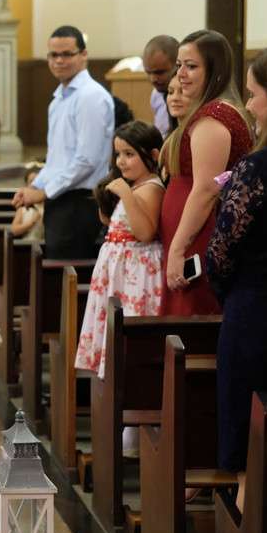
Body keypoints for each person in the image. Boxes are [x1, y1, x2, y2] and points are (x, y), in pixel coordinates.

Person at [207, 42, 267, 515]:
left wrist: (235, 297)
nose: (250, 107)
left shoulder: (258, 168)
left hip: (259, 323)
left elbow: (220, 255)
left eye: (255, 94)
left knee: (251, 460)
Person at [158, 29, 252, 315]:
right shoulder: (209, 112)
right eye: (179, 65)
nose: (181, 74)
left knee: (192, 314)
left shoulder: (213, 117)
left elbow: (206, 189)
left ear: (216, 71)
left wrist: (178, 249)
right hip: (190, 229)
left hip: (200, 231)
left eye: (191, 66)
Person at [13, 26, 113, 259]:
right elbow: (56, 159)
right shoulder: (58, 100)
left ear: (84, 54)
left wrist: (45, 192)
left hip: (80, 201)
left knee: (67, 268)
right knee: (57, 265)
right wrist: (34, 188)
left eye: (67, 54)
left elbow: (87, 160)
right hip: (61, 197)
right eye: (53, 55)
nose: (59, 61)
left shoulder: (91, 97)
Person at [74, 121, 165, 377]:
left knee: (128, 332)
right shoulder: (135, 185)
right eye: (117, 154)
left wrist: (125, 194)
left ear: (153, 155)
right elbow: (108, 220)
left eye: (129, 154)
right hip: (118, 269)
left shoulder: (151, 188)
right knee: (113, 329)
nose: (121, 161)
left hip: (136, 272)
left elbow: (144, 233)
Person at [142, 35, 179, 137]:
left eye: (159, 72)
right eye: (148, 72)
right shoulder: (155, 94)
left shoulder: (189, 95)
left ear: (177, 64)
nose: (153, 79)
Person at [10, 161, 45, 239]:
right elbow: (14, 230)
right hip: (27, 244)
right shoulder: (24, 208)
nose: (35, 187)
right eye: (31, 182)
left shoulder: (47, 205)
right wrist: (30, 223)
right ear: (26, 185)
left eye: (38, 183)